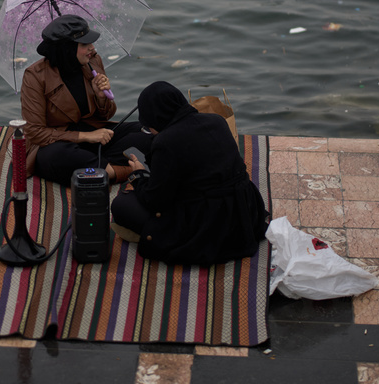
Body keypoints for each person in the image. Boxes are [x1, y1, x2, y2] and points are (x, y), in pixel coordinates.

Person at [110, 81, 270, 265]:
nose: (151, 131)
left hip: (208, 223)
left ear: (156, 117)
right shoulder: (217, 121)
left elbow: (155, 201)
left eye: (149, 126)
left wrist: (138, 175)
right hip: (242, 212)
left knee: (121, 205)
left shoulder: (165, 142)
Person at [20, 14, 152, 186]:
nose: (92, 48)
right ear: (66, 48)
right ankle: (119, 171)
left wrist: (101, 97)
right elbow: (35, 133)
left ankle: (98, 166)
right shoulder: (35, 76)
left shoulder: (92, 61)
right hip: (56, 143)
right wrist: (86, 137)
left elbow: (105, 117)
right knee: (57, 156)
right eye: (84, 44)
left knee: (147, 131)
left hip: (94, 134)